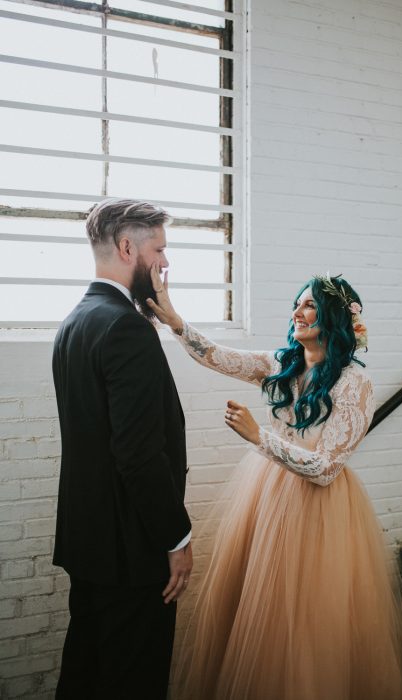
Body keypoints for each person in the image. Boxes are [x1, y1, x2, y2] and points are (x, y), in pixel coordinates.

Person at [146, 270, 402, 700]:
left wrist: (259, 437)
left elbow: (327, 468)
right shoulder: (280, 363)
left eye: (309, 304)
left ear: (336, 318)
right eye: (297, 303)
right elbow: (217, 356)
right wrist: (175, 320)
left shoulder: (356, 384)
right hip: (266, 495)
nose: (298, 311)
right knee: (261, 606)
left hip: (319, 508)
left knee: (308, 620)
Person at [52, 198, 192, 700]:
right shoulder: (125, 328)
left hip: (89, 541)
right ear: (128, 246)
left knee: (86, 673)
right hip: (133, 550)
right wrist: (176, 538)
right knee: (134, 680)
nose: (165, 263)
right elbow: (136, 453)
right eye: (159, 249)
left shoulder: (76, 322)